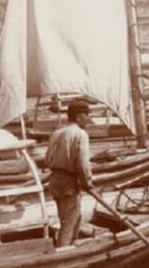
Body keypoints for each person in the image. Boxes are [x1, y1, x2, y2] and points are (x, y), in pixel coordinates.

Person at [45, 100, 94, 247]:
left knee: (67, 219)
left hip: (54, 180)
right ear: (79, 117)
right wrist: (87, 182)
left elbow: (47, 159)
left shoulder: (56, 133)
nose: (88, 120)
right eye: (86, 116)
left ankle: (69, 248)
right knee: (70, 223)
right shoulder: (80, 134)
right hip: (68, 182)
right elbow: (83, 164)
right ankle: (64, 254)